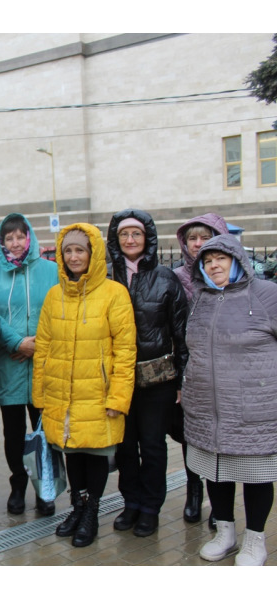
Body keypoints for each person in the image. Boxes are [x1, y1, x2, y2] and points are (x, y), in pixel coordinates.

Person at [32, 223, 136, 548]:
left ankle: (91, 511)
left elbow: (125, 350)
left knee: (94, 455)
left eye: (80, 250)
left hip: (98, 394)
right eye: (68, 251)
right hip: (63, 393)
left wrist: (118, 396)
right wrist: (40, 395)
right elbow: (43, 347)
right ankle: (77, 507)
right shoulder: (54, 296)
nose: (74, 257)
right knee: (72, 453)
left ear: (93, 254)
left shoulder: (114, 293)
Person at [182, 233, 277, 566]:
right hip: (206, 407)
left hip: (252, 407)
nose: (214, 265)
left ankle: (255, 540)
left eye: (220, 258)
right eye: (207, 261)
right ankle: (225, 532)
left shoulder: (267, 295)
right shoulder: (201, 299)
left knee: (256, 473)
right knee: (215, 471)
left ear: (237, 260)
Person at [105, 210, 189, 537]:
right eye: (124, 234)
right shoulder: (108, 276)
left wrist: (181, 379)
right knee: (125, 446)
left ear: (147, 238)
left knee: (152, 446)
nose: (130, 240)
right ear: (115, 239)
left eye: (136, 234)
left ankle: (151, 508)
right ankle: (131, 503)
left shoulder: (166, 278)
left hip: (157, 380)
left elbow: (181, 331)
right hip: (119, 378)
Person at [0, 213, 59, 517]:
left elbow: (59, 311)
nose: (14, 243)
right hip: (10, 366)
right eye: (8, 238)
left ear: (30, 238)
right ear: (1, 242)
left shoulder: (51, 271)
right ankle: (17, 485)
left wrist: (36, 344)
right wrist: (16, 342)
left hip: (45, 365)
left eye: (19, 237)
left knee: (44, 431)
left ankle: (45, 488)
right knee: (13, 433)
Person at [172, 213, 228, 528]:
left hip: (224, 370)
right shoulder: (178, 276)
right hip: (190, 369)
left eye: (204, 238)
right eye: (192, 238)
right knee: (188, 435)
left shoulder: (226, 275)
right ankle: (193, 491)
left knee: (220, 437)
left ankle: (220, 505)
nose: (198, 244)